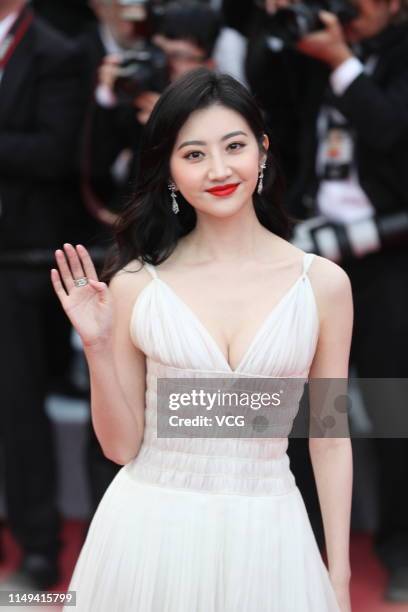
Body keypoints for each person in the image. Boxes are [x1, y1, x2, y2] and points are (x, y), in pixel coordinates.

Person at [52, 68, 353, 611]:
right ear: (168, 169)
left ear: (262, 150)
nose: (218, 170)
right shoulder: (136, 285)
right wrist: (97, 346)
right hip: (149, 532)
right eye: (193, 154)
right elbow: (121, 448)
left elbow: (329, 440)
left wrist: (340, 578)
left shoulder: (323, 285)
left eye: (233, 146)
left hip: (271, 532)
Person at [245, 0, 408, 602]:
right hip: (314, 256)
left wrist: (341, 61)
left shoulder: (389, 54)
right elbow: (265, 109)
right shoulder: (310, 51)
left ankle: (400, 549)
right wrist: (279, 22)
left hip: (390, 258)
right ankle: (304, 544)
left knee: (395, 413)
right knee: (310, 408)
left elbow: (391, 126)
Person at [0, 0, 84, 588]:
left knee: (18, 409)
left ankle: (38, 548)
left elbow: (57, 152)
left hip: (18, 258)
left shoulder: (58, 50)